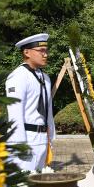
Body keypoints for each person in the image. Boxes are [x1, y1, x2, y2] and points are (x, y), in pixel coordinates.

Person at [5, 33, 55, 173]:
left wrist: (50, 138)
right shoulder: (18, 76)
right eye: (41, 51)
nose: (45, 55)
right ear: (27, 52)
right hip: (27, 139)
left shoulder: (45, 78)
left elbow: (48, 109)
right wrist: (20, 145)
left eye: (46, 50)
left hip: (42, 139)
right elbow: (15, 113)